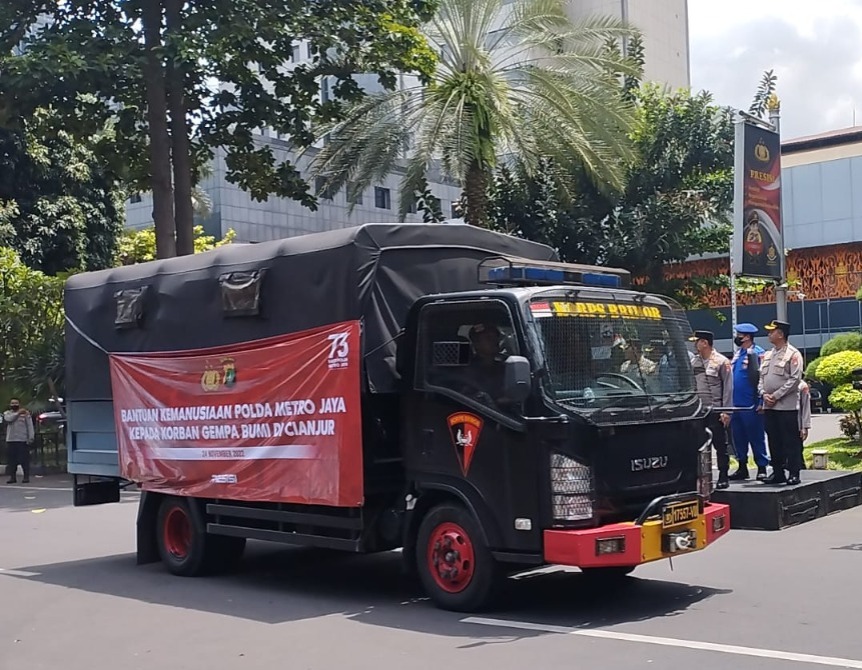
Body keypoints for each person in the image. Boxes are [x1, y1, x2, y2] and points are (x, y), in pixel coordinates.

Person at [759, 320, 804, 485]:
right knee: (773, 440)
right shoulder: (768, 355)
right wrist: (763, 393)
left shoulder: (793, 354)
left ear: (781, 334)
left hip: (786, 406)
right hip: (769, 406)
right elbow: (761, 378)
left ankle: (794, 472)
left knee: (790, 440)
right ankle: (777, 472)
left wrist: (776, 396)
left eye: (772, 331)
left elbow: (794, 380)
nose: (769, 334)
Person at [689, 330, 733, 489]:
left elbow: (728, 388)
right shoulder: (695, 362)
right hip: (700, 411)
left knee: (720, 445)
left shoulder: (721, 362)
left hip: (716, 410)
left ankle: (723, 475)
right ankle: (702, 478)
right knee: (700, 445)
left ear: (705, 343)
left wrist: (726, 411)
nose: (695, 344)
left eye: (697, 341)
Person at [728, 323, 768, 480]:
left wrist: (760, 401)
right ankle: (742, 466)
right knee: (738, 437)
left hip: (751, 403)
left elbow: (761, 379)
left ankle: (762, 467)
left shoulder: (757, 353)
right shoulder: (738, 354)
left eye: (740, 335)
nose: (737, 338)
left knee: (756, 436)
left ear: (748, 337)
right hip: (736, 404)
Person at [4, 398, 35, 484]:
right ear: (10, 405)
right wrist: (18, 413)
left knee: (24, 459)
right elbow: (9, 419)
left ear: (19, 404)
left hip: (22, 440)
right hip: (11, 440)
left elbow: (29, 426)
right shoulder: (7, 413)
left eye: (16, 403)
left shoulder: (26, 415)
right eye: (12, 403)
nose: (14, 405)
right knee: (11, 460)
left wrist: (31, 437)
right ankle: (12, 477)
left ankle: (26, 477)